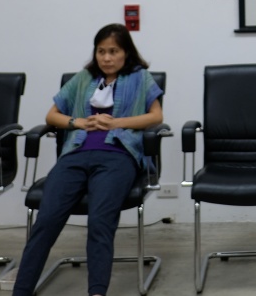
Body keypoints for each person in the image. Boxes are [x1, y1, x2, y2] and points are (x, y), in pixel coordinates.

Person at [12, 24, 163, 296]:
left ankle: (96, 291)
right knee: (46, 220)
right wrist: (77, 122)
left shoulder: (140, 78)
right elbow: (52, 115)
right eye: (101, 51)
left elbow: (156, 116)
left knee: (100, 221)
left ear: (126, 52)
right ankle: (21, 291)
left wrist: (116, 122)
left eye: (113, 51)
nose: (106, 58)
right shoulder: (83, 78)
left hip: (118, 156)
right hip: (75, 155)